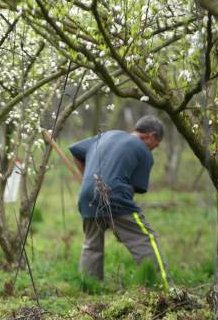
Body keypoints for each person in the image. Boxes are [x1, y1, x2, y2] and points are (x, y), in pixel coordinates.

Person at [69, 115, 169, 288]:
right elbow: (135, 188)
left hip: (87, 195)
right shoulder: (143, 150)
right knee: (144, 239)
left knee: (91, 245)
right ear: (151, 136)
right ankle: (163, 286)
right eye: (157, 142)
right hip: (114, 196)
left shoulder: (107, 135)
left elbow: (76, 149)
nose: (157, 146)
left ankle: (88, 288)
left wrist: (88, 178)